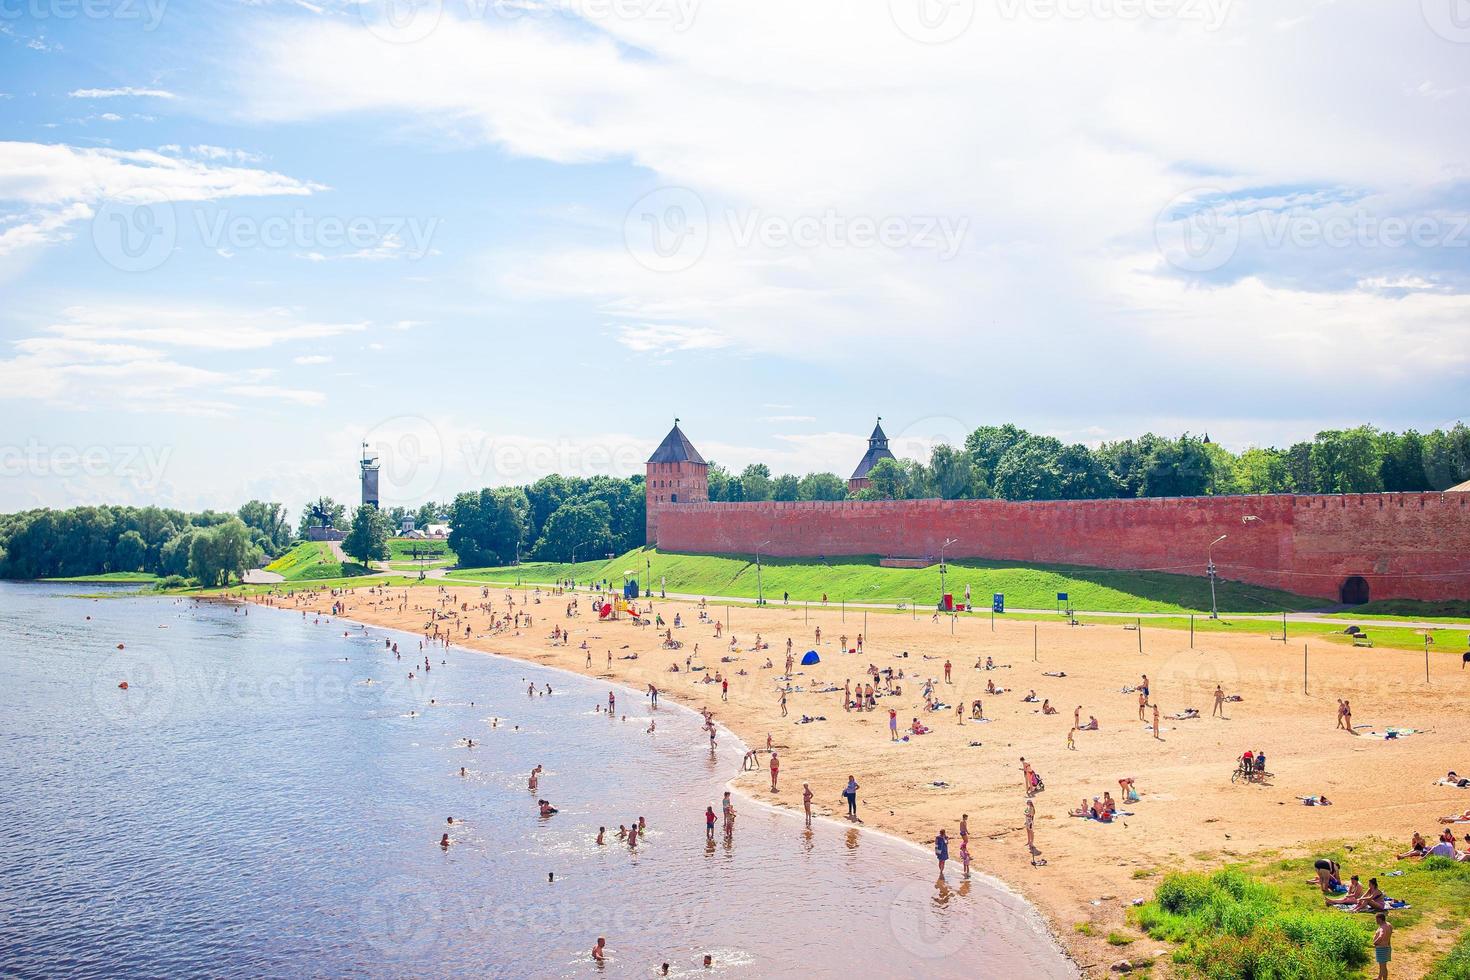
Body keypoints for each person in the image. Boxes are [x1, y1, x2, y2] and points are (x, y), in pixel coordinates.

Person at [1373, 913, 1392, 980]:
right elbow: (1390, 935)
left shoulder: (1382, 927)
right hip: (1387, 947)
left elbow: (1381, 935)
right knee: (1382, 965)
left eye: (1377, 919)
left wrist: (1375, 943)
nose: (1376, 921)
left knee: (1383, 966)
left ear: (1380, 919)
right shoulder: (1388, 924)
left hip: (1382, 948)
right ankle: (1379, 977)